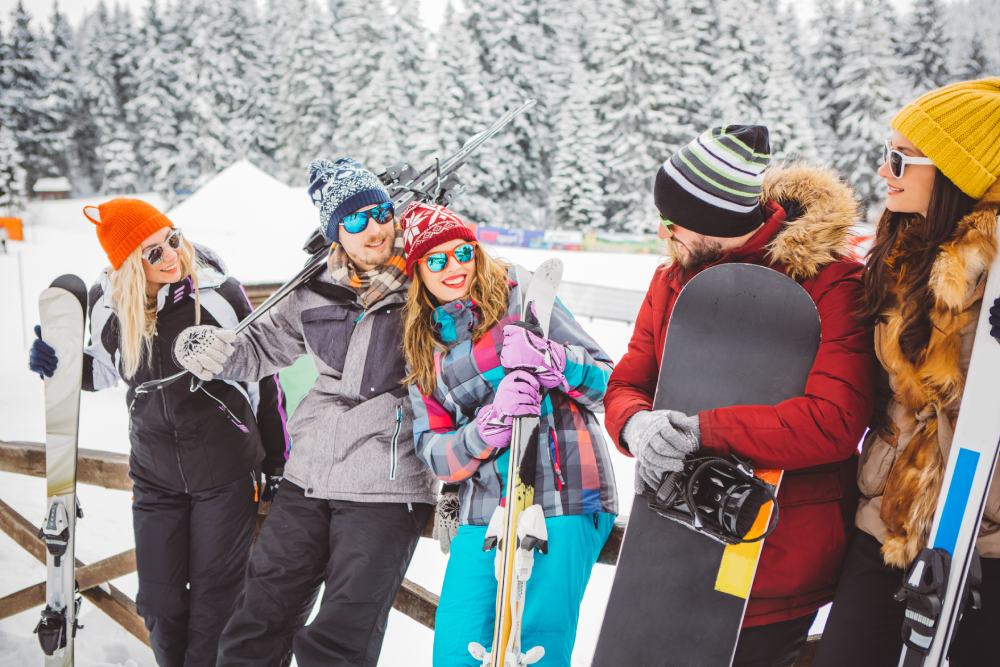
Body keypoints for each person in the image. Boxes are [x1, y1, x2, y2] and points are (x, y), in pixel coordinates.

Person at [602, 125, 876, 667]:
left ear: (713, 222)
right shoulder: (672, 279)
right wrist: (636, 425)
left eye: (671, 222)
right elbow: (627, 383)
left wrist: (700, 431)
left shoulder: (832, 283)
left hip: (775, 553)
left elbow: (833, 422)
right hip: (671, 550)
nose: (665, 235)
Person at [172, 157, 436, 667]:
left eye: (381, 212)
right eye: (355, 220)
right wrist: (216, 352)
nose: (373, 228)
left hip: (385, 481)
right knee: (257, 622)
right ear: (335, 231)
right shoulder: (313, 291)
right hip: (308, 477)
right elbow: (260, 347)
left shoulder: (428, 280)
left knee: (340, 640)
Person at [28, 198, 288, 667]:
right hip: (154, 479)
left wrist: (277, 464)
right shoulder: (107, 307)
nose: (171, 255)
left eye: (172, 239)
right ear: (128, 265)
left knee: (216, 611)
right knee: (160, 608)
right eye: (152, 253)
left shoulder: (218, 295)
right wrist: (61, 362)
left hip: (226, 477)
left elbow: (263, 381)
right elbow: (106, 370)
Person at [814, 78, 1000, 667]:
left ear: (954, 172)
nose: (882, 170)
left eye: (899, 158)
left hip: (983, 539)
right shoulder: (902, 257)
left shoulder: (989, 276)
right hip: (886, 526)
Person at [399, 200, 619, 666]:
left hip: (565, 490)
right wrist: (485, 428)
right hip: (484, 509)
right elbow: (433, 451)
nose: (453, 267)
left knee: (536, 647)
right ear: (418, 272)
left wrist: (555, 361)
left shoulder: (520, 296)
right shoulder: (423, 346)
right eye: (436, 261)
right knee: (458, 649)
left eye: (462, 253)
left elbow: (607, 382)